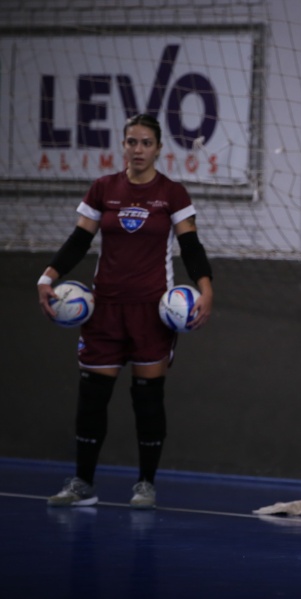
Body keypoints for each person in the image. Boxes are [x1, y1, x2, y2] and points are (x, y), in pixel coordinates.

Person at [37, 113, 214, 510]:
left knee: (147, 400)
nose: (137, 150)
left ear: (158, 148)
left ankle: (145, 484)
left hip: (152, 311)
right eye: (131, 142)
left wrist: (206, 289)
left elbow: (191, 248)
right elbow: (79, 240)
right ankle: (82, 483)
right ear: (124, 145)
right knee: (92, 399)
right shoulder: (104, 188)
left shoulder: (172, 193)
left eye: (145, 143)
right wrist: (47, 277)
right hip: (104, 310)